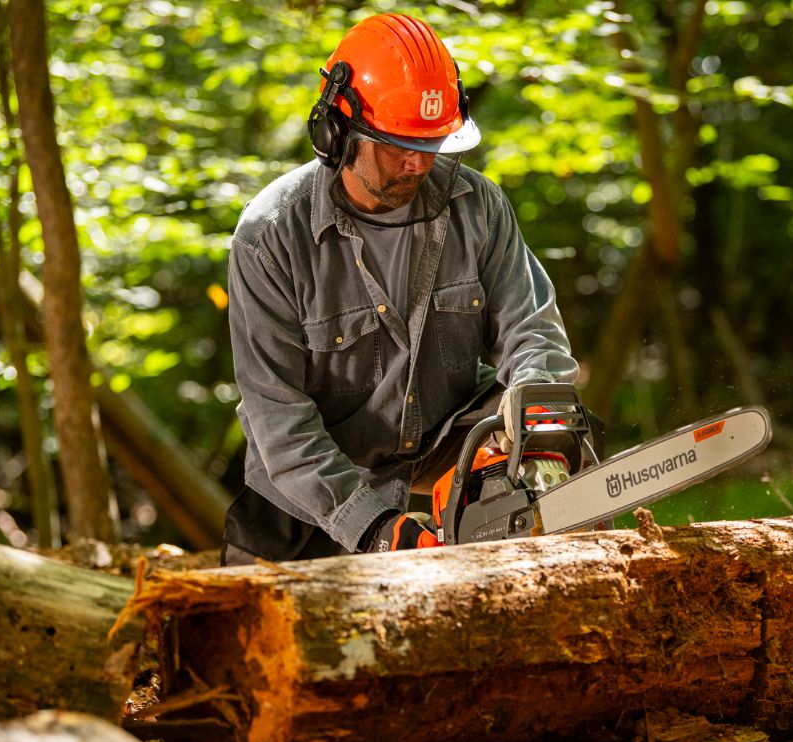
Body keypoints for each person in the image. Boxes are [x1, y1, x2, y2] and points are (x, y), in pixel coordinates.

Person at [221, 13, 579, 564]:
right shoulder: (271, 237)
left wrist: (538, 423)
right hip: (314, 475)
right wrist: (377, 528)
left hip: (443, 437)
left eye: (430, 143)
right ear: (336, 131)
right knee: (250, 610)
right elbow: (279, 420)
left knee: (531, 423)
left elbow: (531, 330)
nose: (417, 163)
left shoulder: (476, 207)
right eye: (396, 146)